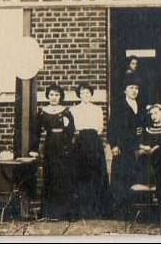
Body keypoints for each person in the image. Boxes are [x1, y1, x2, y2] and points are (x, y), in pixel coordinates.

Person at [37, 84, 76, 220]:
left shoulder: (66, 111)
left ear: (61, 96)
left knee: (64, 176)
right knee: (50, 176)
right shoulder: (42, 112)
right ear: (48, 96)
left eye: (57, 95)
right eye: (52, 94)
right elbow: (36, 131)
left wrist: (66, 129)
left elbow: (71, 131)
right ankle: (49, 213)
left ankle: (65, 212)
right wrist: (34, 149)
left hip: (63, 146)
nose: (54, 97)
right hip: (50, 145)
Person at [107, 74, 145, 211]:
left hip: (136, 145)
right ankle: (119, 209)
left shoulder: (140, 105)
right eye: (131, 88)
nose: (134, 91)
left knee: (134, 174)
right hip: (122, 145)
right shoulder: (119, 106)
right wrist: (114, 145)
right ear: (125, 90)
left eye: (136, 88)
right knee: (121, 175)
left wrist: (142, 130)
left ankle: (133, 207)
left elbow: (143, 123)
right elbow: (111, 127)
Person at [69, 83, 108, 218]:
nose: (85, 95)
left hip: (94, 142)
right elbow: (73, 128)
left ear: (91, 94)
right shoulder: (73, 110)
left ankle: (96, 209)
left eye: (87, 93)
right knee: (81, 174)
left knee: (96, 174)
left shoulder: (97, 109)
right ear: (79, 95)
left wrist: (91, 135)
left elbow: (100, 127)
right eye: (82, 93)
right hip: (80, 142)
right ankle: (82, 210)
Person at [138, 103, 161, 185]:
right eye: (151, 114)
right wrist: (143, 147)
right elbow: (140, 142)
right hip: (147, 156)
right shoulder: (147, 129)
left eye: (156, 113)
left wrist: (155, 149)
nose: (153, 116)